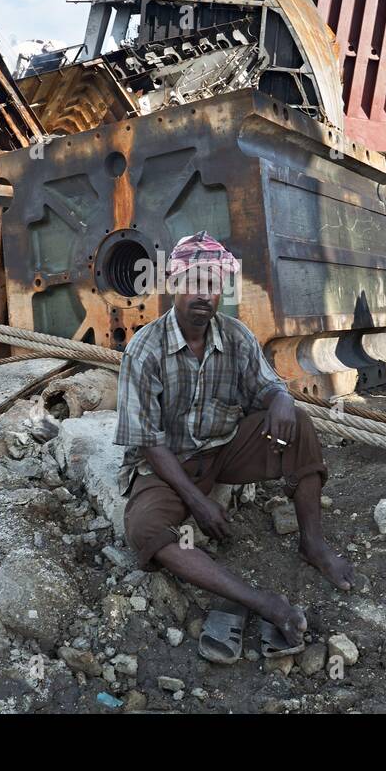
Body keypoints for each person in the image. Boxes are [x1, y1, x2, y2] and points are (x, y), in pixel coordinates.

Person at [115, 232, 354, 655]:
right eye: (194, 283)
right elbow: (147, 441)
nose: (203, 296)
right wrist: (198, 501)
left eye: (212, 284)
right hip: (166, 466)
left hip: (224, 450)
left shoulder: (236, 336)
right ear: (174, 283)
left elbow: (267, 386)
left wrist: (280, 397)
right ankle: (261, 602)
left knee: (297, 420)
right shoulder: (144, 350)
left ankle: (313, 543)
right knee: (144, 529)